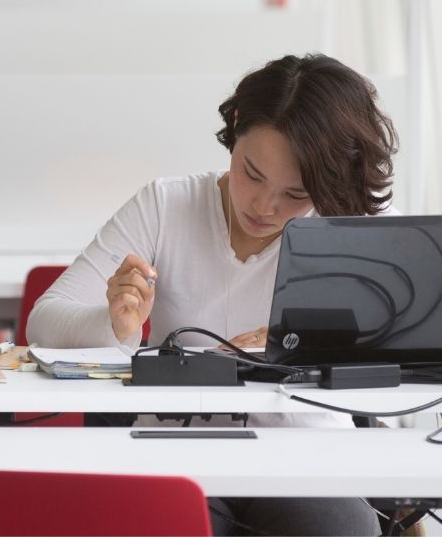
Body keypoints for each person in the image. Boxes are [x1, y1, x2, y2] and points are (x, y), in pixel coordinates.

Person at [27, 53, 398, 536]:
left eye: (296, 193)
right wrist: (114, 325)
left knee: (344, 528)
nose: (265, 207)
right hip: (178, 449)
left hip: (303, 454)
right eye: (253, 174)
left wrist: (302, 349)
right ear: (236, 126)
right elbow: (44, 319)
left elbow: (400, 356)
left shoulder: (347, 228)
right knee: (178, 523)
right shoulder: (166, 205)